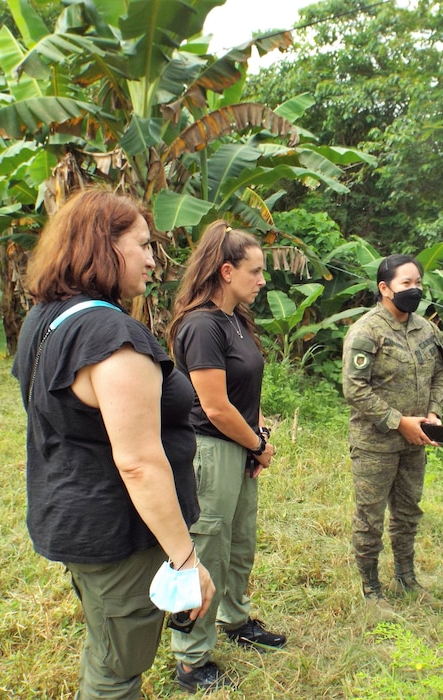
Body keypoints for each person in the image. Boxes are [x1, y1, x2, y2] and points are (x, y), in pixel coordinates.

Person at [11, 189, 214, 700]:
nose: (152, 260)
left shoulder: (46, 318)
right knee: (118, 669)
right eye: (142, 245)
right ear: (105, 246)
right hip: (117, 534)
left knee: (106, 640)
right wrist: (186, 559)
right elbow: (140, 463)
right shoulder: (110, 335)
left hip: (72, 516)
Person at [165, 220, 286, 693]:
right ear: (226, 270)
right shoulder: (201, 325)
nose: (262, 280)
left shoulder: (236, 320)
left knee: (240, 543)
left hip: (240, 446)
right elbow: (214, 406)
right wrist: (257, 444)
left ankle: (234, 620)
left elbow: (241, 392)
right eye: (255, 272)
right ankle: (191, 658)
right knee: (208, 550)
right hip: (211, 449)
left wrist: (257, 436)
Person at [342, 254, 443, 609]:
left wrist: (433, 412)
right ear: (384, 288)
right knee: (369, 517)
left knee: (408, 511)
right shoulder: (367, 331)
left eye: (418, 283)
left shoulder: (427, 329)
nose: (414, 289)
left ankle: (406, 575)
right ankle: (370, 586)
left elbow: (439, 375)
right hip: (376, 444)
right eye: (406, 283)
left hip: (416, 441)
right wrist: (397, 421)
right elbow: (354, 388)